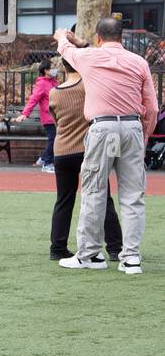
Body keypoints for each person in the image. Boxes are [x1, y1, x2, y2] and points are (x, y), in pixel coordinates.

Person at [55, 19, 157, 274]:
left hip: (103, 128)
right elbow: (153, 108)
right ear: (121, 37)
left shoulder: (90, 58)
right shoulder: (139, 62)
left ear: (98, 38)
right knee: (133, 196)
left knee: (94, 190)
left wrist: (61, 37)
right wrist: (143, 136)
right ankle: (131, 258)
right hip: (132, 126)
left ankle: (89, 254)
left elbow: (66, 51)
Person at [48, 58, 122, 262]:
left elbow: (55, 121)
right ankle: (115, 248)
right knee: (103, 197)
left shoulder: (54, 92)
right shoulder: (89, 86)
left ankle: (57, 247)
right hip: (89, 149)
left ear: (64, 66)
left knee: (63, 200)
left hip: (62, 151)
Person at [15, 58, 59, 172]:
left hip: (56, 117)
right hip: (49, 118)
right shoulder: (42, 84)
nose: (55, 69)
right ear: (46, 70)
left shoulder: (54, 82)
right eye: (52, 67)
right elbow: (33, 99)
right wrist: (25, 113)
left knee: (55, 139)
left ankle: (44, 159)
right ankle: (47, 163)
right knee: (53, 139)